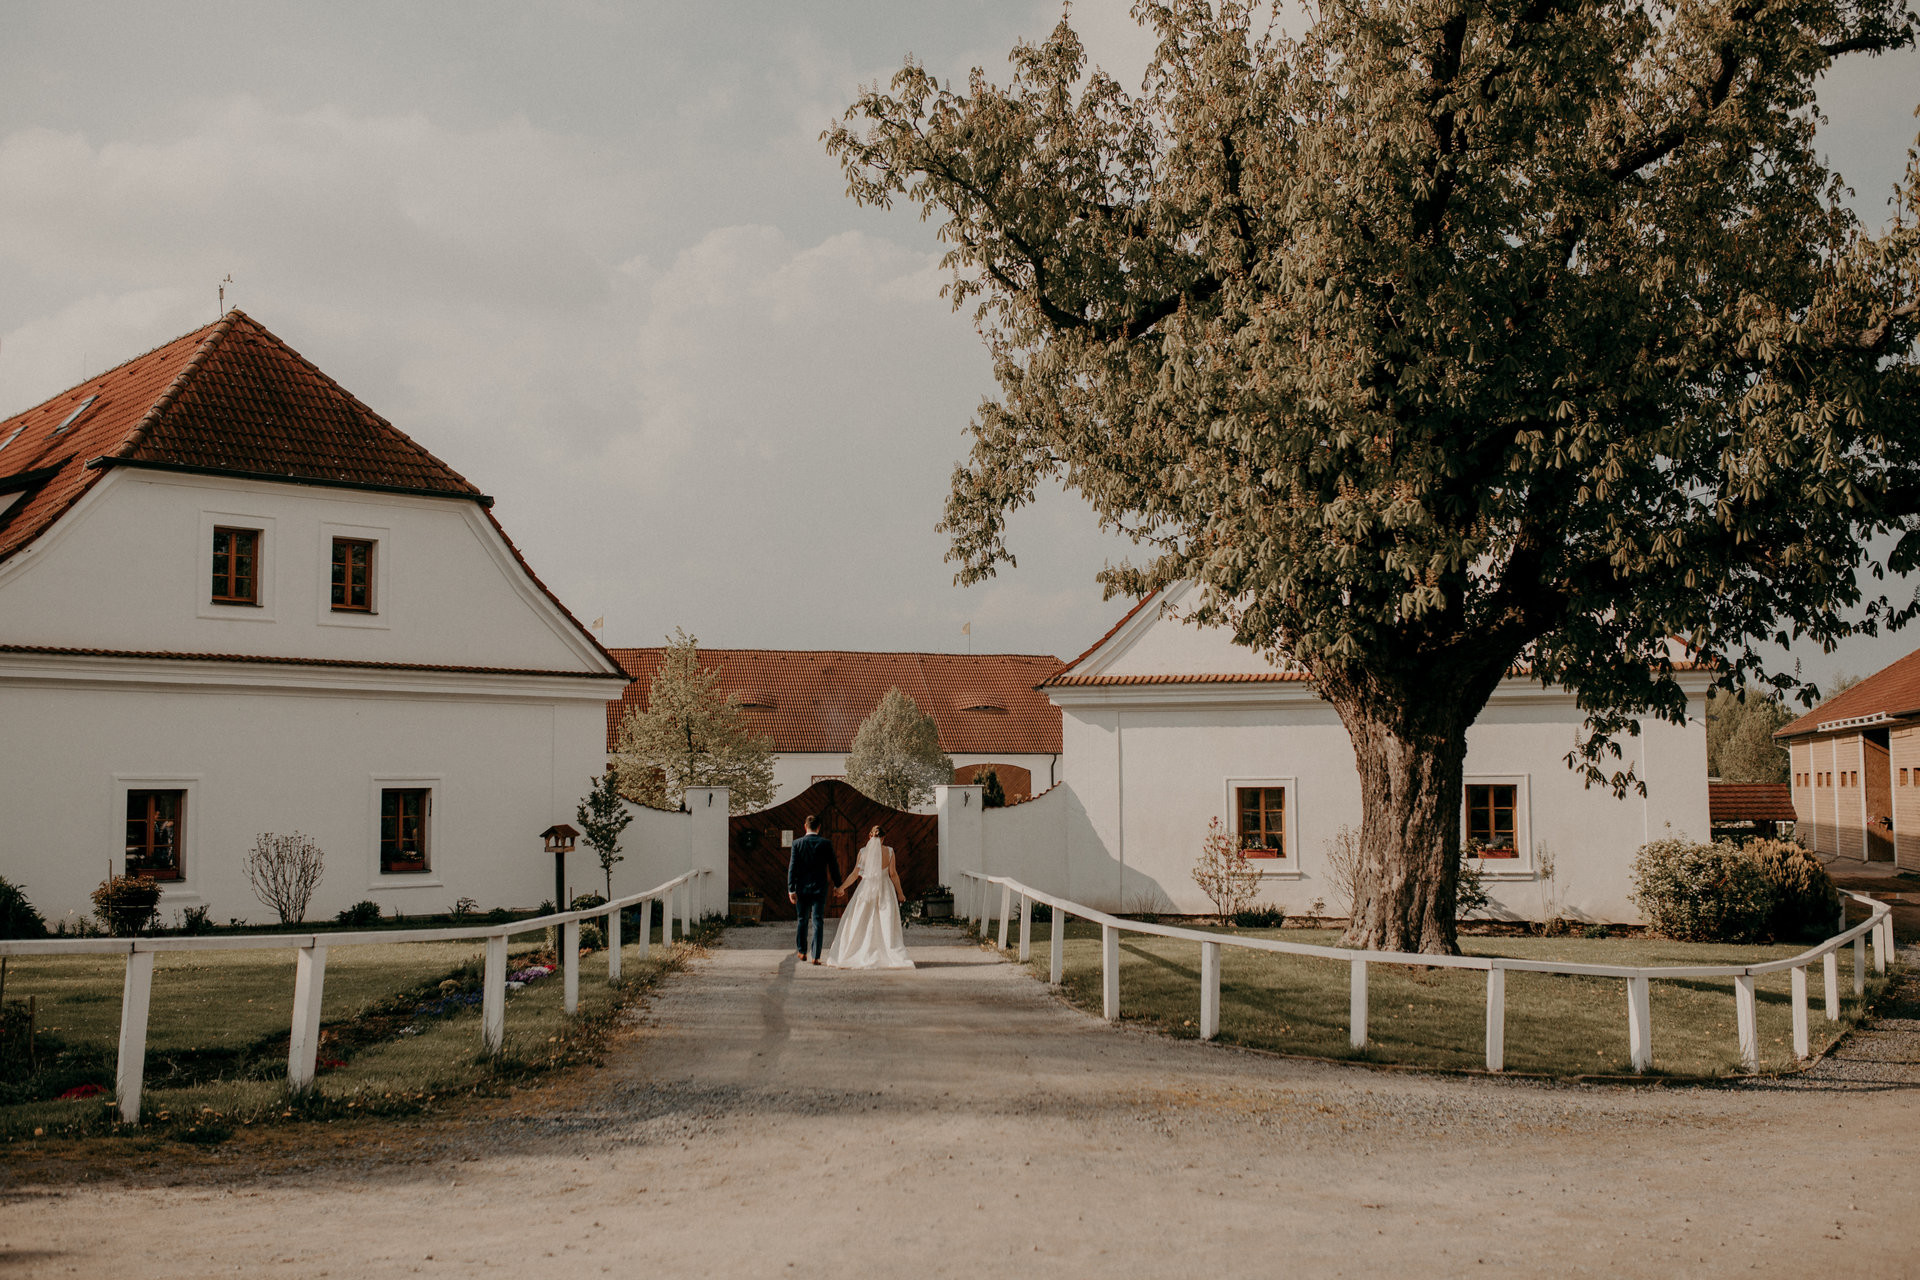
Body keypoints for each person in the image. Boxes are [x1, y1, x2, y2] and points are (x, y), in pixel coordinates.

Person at [823, 824, 914, 970]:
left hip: (865, 889)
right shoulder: (889, 852)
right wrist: (900, 893)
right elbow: (893, 874)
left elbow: (854, 874)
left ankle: (859, 951)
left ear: (870, 836)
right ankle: (887, 953)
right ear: (883, 837)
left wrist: (841, 888)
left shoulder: (863, 852)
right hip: (885, 889)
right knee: (885, 920)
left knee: (861, 920)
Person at [788, 814, 836, 964]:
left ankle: (802, 951)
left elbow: (792, 868)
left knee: (802, 919)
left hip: (802, 888)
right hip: (820, 888)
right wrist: (838, 885)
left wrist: (791, 889)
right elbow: (833, 866)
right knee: (818, 921)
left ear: (805, 826)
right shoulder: (826, 844)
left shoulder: (797, 844)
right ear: (819, 827)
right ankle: (816, 956)